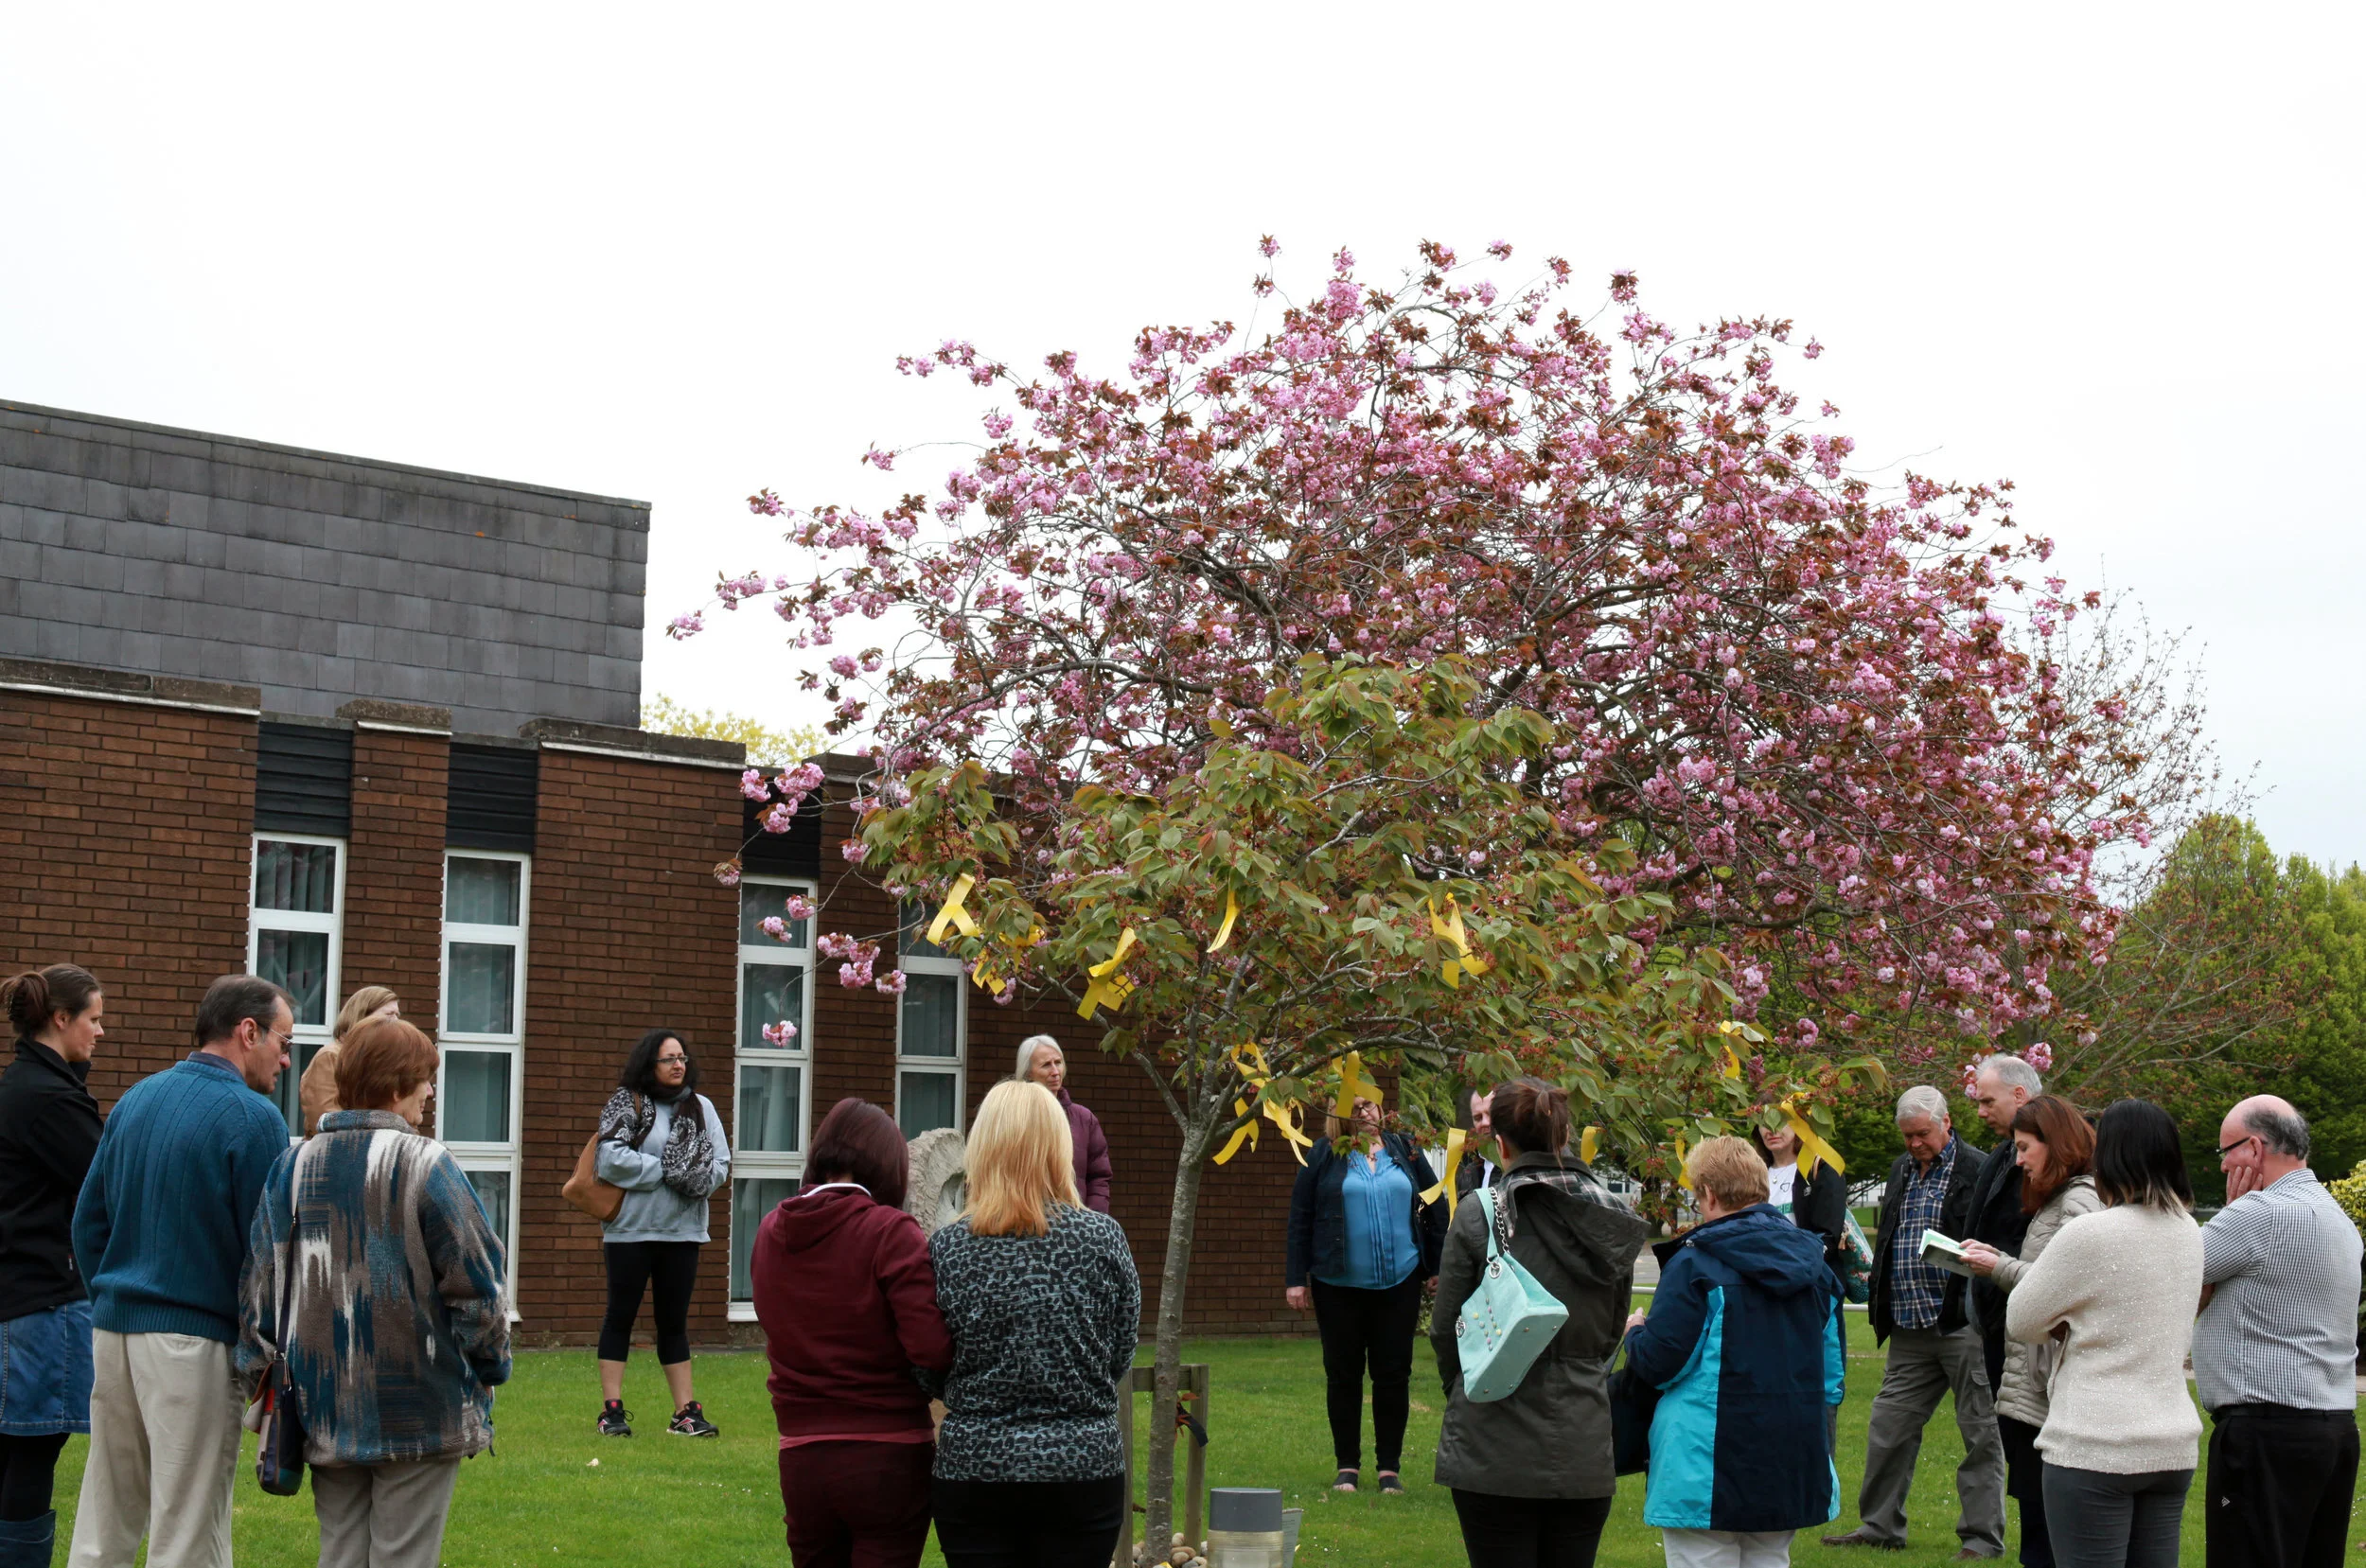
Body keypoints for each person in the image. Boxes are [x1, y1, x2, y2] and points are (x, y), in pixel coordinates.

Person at [238, 1016, 510, 1568]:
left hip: (321, 1406)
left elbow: (258, 1291)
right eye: (425, 1079)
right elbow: (480, 1291)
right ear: (394, 1086)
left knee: (339, 1554)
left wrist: (260, 1377)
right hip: (418, 1407)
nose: (431, 1092)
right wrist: (490, 1366)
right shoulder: (428, 1164)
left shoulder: (291, 1166)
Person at [68, 974, 294, 1568]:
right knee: (188, 1532)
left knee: (103, 1522)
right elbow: (268, 1258)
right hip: (192, 1345)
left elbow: (87, 1225)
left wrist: (117, 1294)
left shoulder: (136, 1099)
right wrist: (263, 1351)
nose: (288, 1059)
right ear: (249, 1032)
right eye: (283, 1040)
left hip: (113, 1332)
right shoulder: (256, 1118)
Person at [921, 1080, 1139, 1568]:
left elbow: (928, 1360)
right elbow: (1121, 1350)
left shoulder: (947, 1248)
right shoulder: (1103, 1240)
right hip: (1083, 1466)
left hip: (975, 1468)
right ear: (1059, 1147)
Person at [1431, 1077, 1647, 1568]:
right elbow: (1612, 1329)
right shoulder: (1614, 1215)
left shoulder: (1481, 1214)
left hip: (1492, 1441)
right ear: (1563, 1138)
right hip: (1582, 1437)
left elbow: (1447, 1331)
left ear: (1500, 1144)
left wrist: (1468, 1387)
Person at [1622, 1136, 1845, 1568]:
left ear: (1707, 1193)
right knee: (1770, 1557)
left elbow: (1660, 1363)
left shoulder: (1695, 1263)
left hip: (1707, 1458)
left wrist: (1635, 1333)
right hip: (1790, 1447)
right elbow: (1831, 1375)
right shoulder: (1814, 1264)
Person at [753, 1097, 954, 1568]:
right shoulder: (891, 1231)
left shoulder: (768, 1231)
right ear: (889, 1166)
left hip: (801, 1454)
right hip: (888, 1453)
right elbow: (931, 1349)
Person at [2004, 1100, 2203, 1568]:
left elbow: (2022, 1319)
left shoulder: (2092, 1232)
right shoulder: (2190, 1231)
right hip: (2171, 1444)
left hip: (2093, 1444)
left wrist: (2071, 1320)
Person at [1823, 1084, 2004, 1559]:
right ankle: (1879, 1526)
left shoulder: (1980, 1168)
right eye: (1907, 1136)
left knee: (1980, 1434)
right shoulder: (1902, 1169)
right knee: (1888, 1428)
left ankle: (1982, 1540)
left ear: (1947, 1122)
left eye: (1922, 1133)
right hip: (1908, 1326)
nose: (1914, 1144)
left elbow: (1996, 1246)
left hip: (1962, 1326)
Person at [2194, 1095, 2362, 1568]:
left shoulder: (2255, 1215)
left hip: (2265, 1433)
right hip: (2334, 1429)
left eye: (2224, 1152)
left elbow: (2176, 1291)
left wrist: (2230, 1210)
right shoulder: (2341, 1221)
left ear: (2252, 1148)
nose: (2224, 1165)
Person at [1959, 1095, 2101, 1568]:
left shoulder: (2079, 1200)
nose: (2017, 1160)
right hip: (2031, 1387)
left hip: (2045, 1390)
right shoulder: (2059, 1198)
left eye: (2024, 1148)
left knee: (2046, 1532)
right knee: (2035, 1519)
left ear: (2055, 1143)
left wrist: (1997, 1266)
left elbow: (2067, 1289)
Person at [1283, 1094, 1447, 1494]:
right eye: (1354, 1106)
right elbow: (1300, 1215)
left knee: (1393, 1374)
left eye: (1370, 1105)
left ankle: (1389, 1469)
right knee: (1343, 1375)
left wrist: (1437, 1264)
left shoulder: (1403, 1147)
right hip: (1337, 1283)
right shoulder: (1323, 1153)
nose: (1364, 1113)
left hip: (1400, 1281)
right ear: (1337, 1112)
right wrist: (1295, 1278)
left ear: (1382, 1110)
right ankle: (1347, 1468)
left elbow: (1434, 1201)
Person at [0, 966, 105, 1566]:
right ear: (60, 1019)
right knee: (33, 1448)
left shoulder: (27, 1085)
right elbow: (103, 1181)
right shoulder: (47, 1099)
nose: (100, 1029)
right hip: (40, 1298)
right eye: (92, 1018)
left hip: (24, 1292)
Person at [592, 1027, 730, 1438]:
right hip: (630, 1232)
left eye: (682, 1058)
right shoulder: (628, 1103)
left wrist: (695, 1178)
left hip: (683, 1232)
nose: (678, 1065)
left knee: (674, 1323)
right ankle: (612, 1412)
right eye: (669, 1059)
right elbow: (610, 1158)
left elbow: (720, 1164)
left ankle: (685, 1413)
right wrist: (670, 1172)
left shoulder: (702, 1108)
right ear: (650, 1064)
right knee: (620, 1317)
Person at [1752, 1116, 1851, 1454]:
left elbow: (1827, 1235)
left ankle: (1821, 1493)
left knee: (1819, 1393)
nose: (1771, 1130)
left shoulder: (1821, 1169)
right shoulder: (1752, 1173)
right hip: (1760, 1300)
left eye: (1781, 1121)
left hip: (1813, 1299)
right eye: (1762, 1121)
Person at [1962, 1055, 2043, 1393]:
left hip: (2031, 1323)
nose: (1981, 1112)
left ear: (2020, 1095)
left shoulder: (2065, 1161)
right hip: (1999, 1320)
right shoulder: (2000, 1155)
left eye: (1988, 1101)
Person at [1015, 1034, 1112, 1214]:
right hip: (1024, 1225)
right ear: (1028, 1072)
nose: (1055, 1071)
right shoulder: (1013, 1116)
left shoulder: (1084, 1119)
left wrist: (1093, 1222)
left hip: (1077, 1228)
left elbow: (1099, 1178)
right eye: (1046, 1065)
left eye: (1058, 1062)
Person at [298, 985, 401, 1136]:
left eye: (398, 1015)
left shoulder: (381, 1063)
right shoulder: (331, 1057)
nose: (396, 1022)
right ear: (362, 1016)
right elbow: (325, 1120)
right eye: (389, 1014)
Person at [1455, 1085, 1503, 1202]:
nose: (1485, 1123)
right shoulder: (1469, 1172)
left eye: (1490, 1114)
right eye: (1478, 1118)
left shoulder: (1519, 1167)